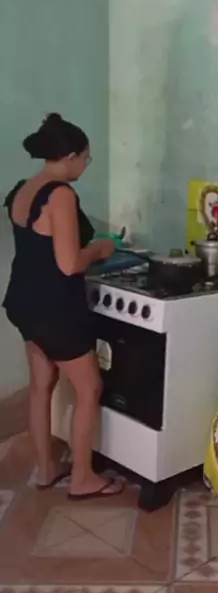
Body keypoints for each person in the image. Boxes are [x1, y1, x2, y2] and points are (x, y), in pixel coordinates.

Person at [3, 113, 122, 499]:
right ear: (70, 156)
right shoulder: (61, 195)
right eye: (86, 158)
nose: (86, 165)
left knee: (41, 385)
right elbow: (69, 263)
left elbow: (39, 247)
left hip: (24, 301)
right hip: (54, 308)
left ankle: (45, 470)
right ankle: (84, 478)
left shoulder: (24, 189)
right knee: (90, 387)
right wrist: (101, 248)